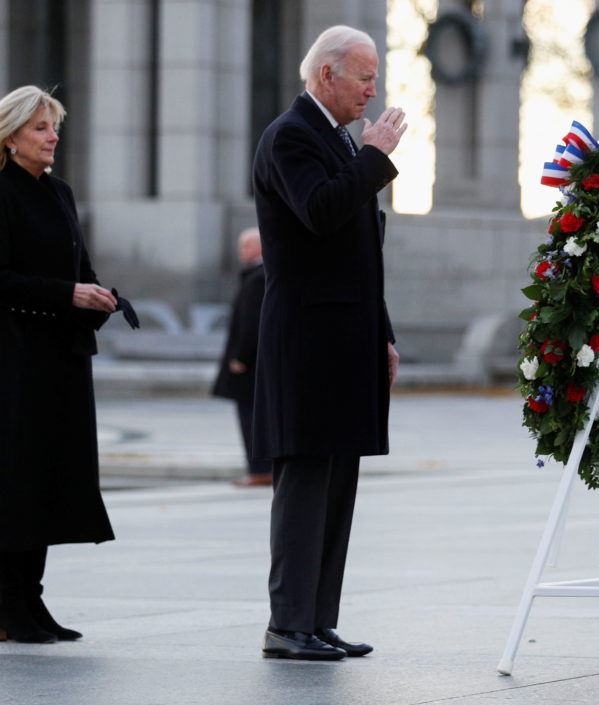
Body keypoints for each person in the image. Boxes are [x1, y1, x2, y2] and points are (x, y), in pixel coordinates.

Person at [0, 86, 137, 644]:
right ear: (11, 137)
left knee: (46, 479)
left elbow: (78, 269)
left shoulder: (60, 192)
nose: (52, 135)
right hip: (14, 361)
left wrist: (98, 297)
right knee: (15, 479)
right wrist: (67, 295)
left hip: (60, 357)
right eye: (39, 127)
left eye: (53, 126)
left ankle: (29, 603)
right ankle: (9, 606)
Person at [251, 25, 406, 661]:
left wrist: (385, 334)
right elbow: (319, 211)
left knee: (338, 481)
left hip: (347, 337)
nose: (373, 88)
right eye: (364, 76)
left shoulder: (337, 137)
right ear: (326, 77)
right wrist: (373, 158)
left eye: (374, 76)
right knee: (306, 482)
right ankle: (286, 625)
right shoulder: (291, 136)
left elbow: (357, 249)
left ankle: (316, 620)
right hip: (308, 340)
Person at [212, 227, 270, 487]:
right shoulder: (258, 274)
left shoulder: (258, 277)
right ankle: (261, 468)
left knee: (251, 417)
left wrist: (241, 357)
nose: (241, 251)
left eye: (246, 245)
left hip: (250, 365)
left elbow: (252, 322)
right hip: (256, 363)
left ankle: (260, 470)